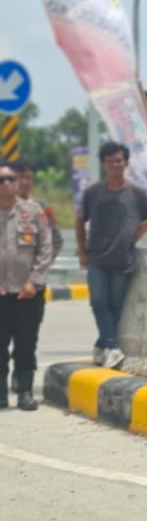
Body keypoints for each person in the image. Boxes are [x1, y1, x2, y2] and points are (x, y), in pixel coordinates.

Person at [75, 142, 147, 368]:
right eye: (110, 161)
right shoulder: (93, 192)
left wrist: (143, 229)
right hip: (97, 259)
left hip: (123, 260)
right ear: (104, 164)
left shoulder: (136, 193)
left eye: (119, 160)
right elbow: (79, 220)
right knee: (99, 302)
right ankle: (111, 346)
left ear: (126, 163)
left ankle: (103, 345)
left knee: (115, 306)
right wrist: (82, 251)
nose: (115, 165)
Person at [0, 163, 53, 410]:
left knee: (25, 345)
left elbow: (45, 248)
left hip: (27, 293)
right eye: (1, 180)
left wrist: (35, 281)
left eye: (10, 179)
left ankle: (25, 392)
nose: (6, 184)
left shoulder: (32, 212)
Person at [11, 160, 63, 397]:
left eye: (28, 178)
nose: (25, 182)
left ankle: (22, 381)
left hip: (32, 287)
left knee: (28, 337)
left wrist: (38, 273)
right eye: (19, 177)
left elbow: (55, 241)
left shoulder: (41, 209)